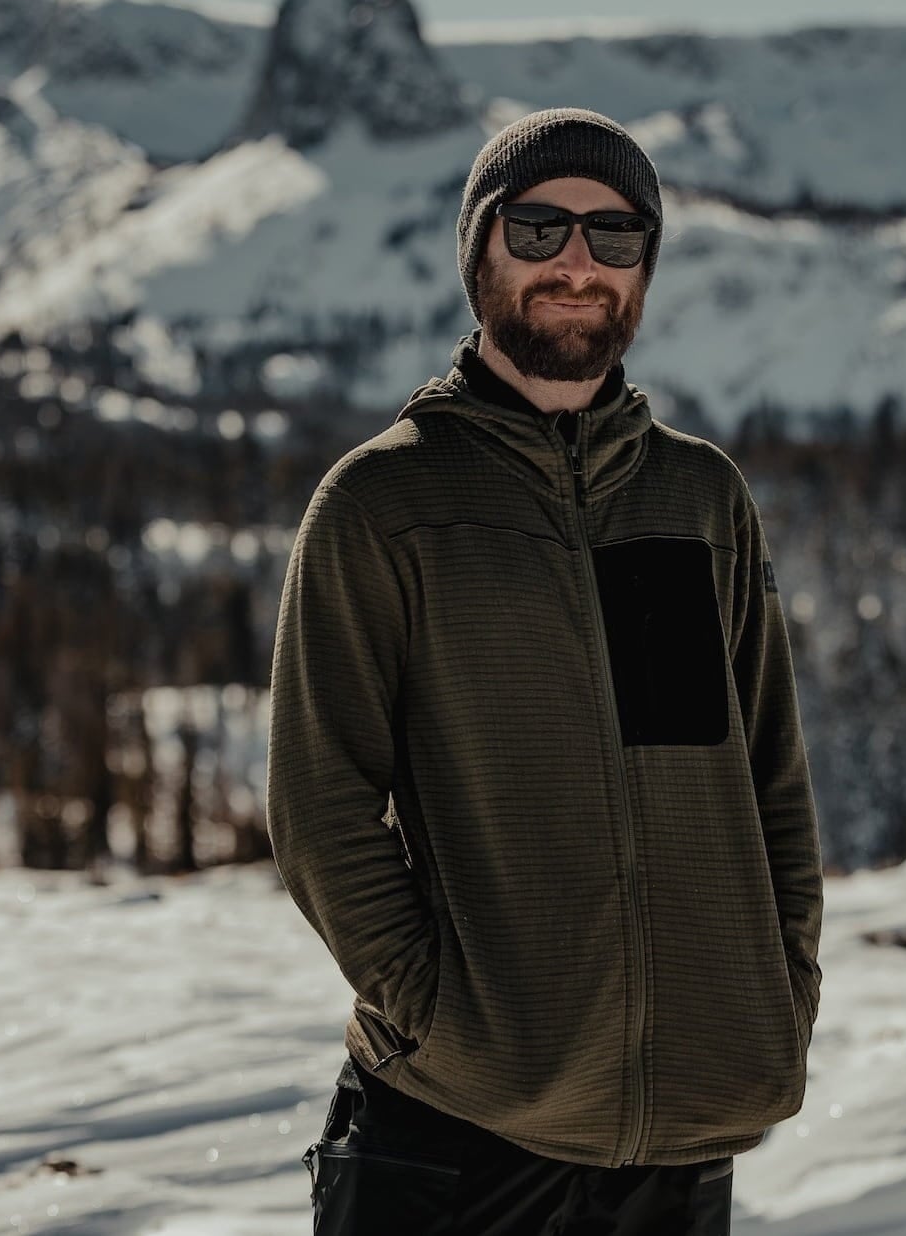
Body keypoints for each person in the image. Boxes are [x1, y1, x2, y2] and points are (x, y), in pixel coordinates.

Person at [266, 106, 824, 1235]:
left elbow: (763, 776)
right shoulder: (385, 502)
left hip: (676, 1137)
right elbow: (319, 804)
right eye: (538, 229)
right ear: (478, 252)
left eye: (615, 237)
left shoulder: (695, 498)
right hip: (451, 1142)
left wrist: (778, 998)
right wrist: (442, 1019)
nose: (577, 262)